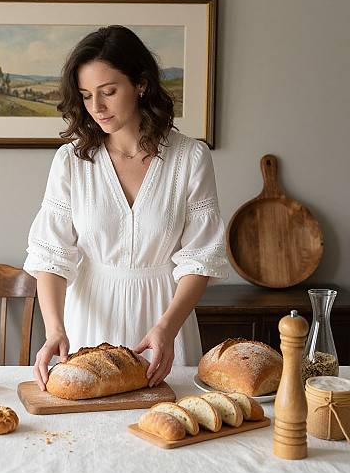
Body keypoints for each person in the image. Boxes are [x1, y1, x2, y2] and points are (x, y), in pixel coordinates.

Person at [23, 25, 228, 391]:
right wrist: (55, 329)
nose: (96, 108)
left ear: (141, 85)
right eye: (86, 96)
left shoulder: (190, 157)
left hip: (165, 321)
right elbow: (50, 255)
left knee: (170, 430)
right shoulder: (71, 161)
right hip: (88, 318)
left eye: (109, 92)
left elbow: (201, 257)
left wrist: (167, 327)